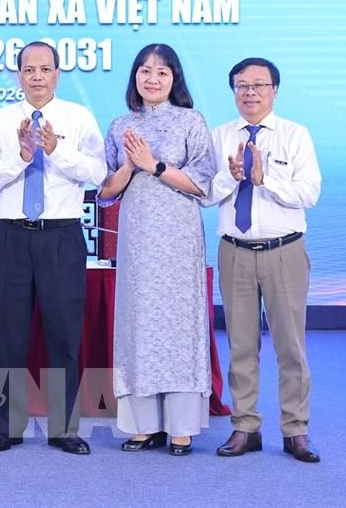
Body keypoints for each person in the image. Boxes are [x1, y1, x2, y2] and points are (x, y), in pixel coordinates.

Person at [0, 41, 106, 455]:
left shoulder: (78, 117)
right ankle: (7, 426)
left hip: (61, 236)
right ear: (18, 75)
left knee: (64, 334)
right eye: (29, 69)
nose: (37, 76)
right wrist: (21, 156)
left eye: (45, 69)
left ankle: (64, 428)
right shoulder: (1, 119)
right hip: (13, 236)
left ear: (57, 74)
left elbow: (98, 171)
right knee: (9, 334)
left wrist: (56, 150)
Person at [97, 43, 216, 456]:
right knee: (139, 324)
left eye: (162, 72)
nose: (152, 78)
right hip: (137, 238)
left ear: (174, 79)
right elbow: (105, 193)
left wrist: (155, 165)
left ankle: (181, 428)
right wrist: (130, 166)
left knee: (179, 325)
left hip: (179, 238)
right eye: (144, 70)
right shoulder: (120, 125)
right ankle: (143, 426)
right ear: (134, 77)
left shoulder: (191, 121)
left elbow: (203, 184)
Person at [207, 58, 321, 463]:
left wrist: (263, 180)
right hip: (234, 251)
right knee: (240, 345)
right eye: (242, 85)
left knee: (290, 346)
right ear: (233, 91)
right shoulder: (219, 136)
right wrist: (232, 175)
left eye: (259, 84)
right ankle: (245, 427)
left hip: (283, 251)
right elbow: (206, 194)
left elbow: (309, 193)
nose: (250, 92)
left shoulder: (295, 134)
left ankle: (296, 430)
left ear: (275, 90)